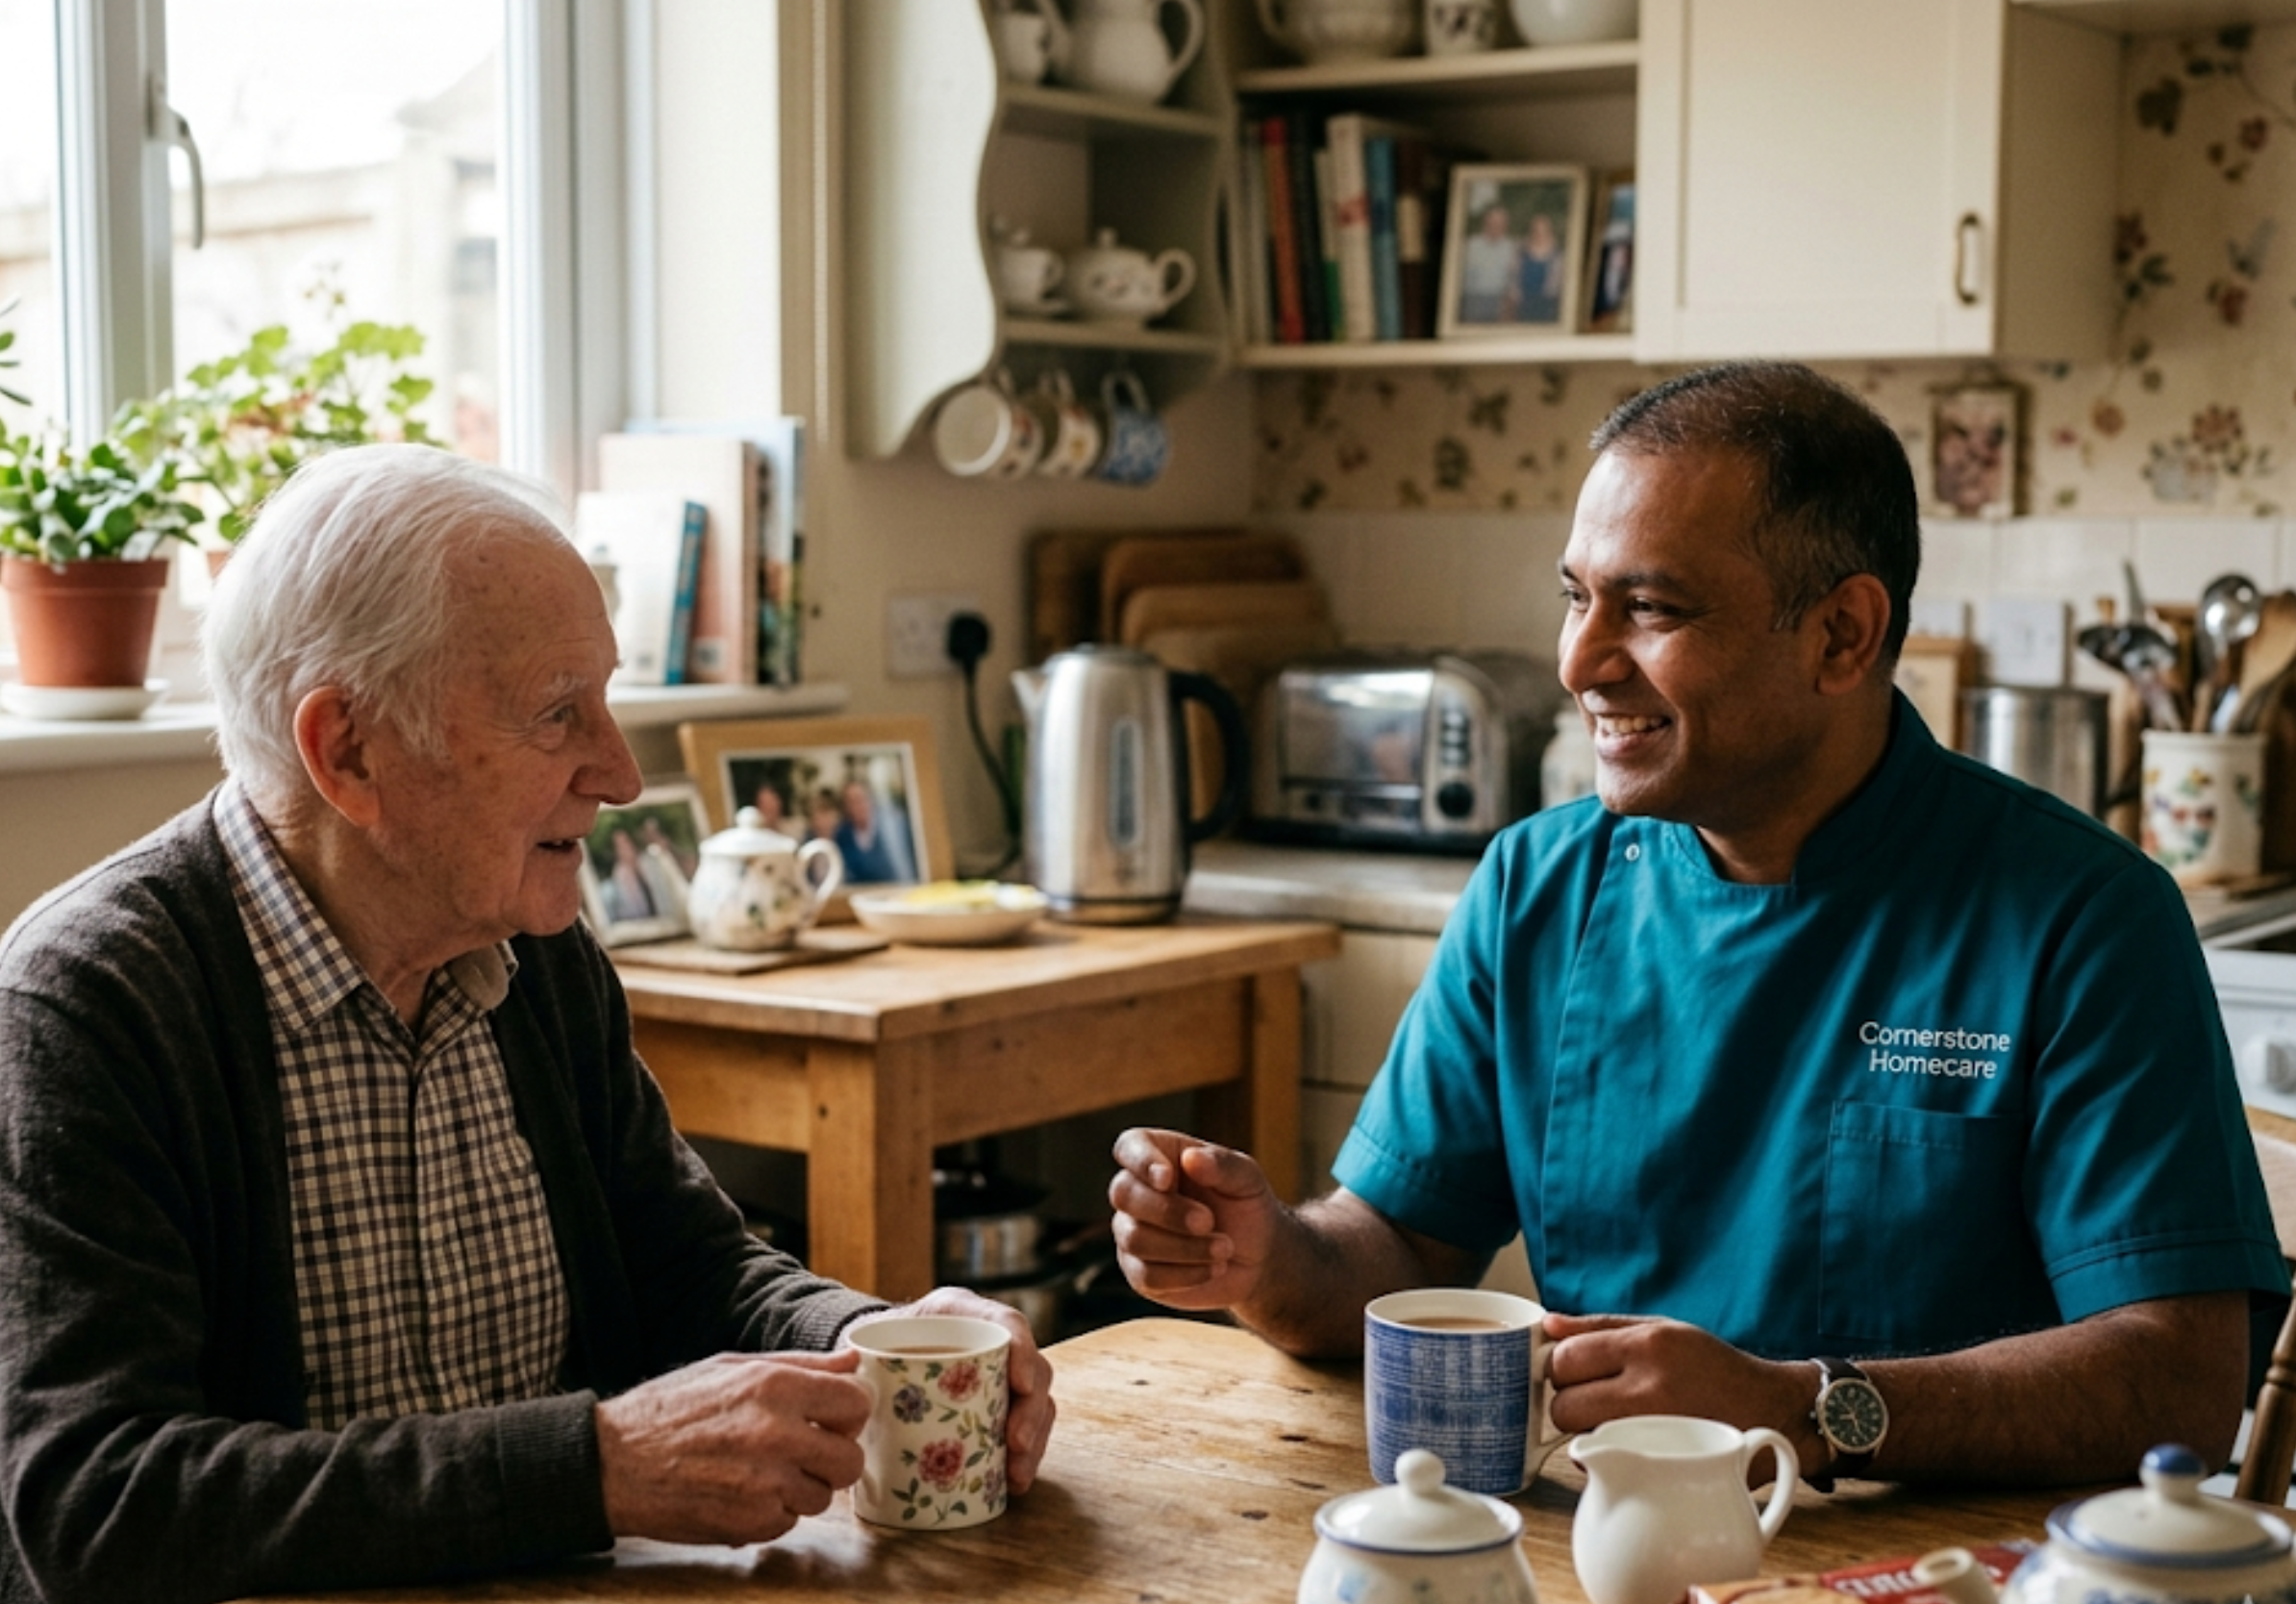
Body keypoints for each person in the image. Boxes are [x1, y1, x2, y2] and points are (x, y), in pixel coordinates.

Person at [1109, 361, 2287, 1490]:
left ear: (1841, 636)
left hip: (1942, 1573)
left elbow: (2180, 1376)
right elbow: (1401, 1248)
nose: (1581, 661)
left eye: (1652, 608)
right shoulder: (1537, 888)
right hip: (1606, 1552)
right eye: (1578, 597)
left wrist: (1806, 1410)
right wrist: (1264, 1260)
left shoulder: (2084, 918)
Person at [0, 444, 1055, 1604]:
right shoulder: (90, 1003)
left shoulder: (534, 950)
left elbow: (685, 1267)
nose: (620, 772)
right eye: (560, 713)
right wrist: (594, 1469)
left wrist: (882, 1339)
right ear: (346, 749)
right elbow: (97, 1505)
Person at [835, 776, 917, 885]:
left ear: (870, 799)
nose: (855, 806)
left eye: (859, 799)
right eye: (850, 802)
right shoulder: (843, 835)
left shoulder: (894, 826)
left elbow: (906, 869)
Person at [1456, 204, 1517, 325]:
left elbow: (1513, 278)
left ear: (1505, 225)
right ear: (1486, 221)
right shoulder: (1470, 246)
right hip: (1473, 301)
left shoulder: (1511, 247)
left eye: (1501, 222)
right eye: (1493, 221)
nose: (1496, 225)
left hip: (1500, 303)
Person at [1509, 209, 1564, 325]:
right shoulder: (1521, 250)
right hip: (1524, 303)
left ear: (1549, 231)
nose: (1539, 233)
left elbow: (1558, 282)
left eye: (1543, 230)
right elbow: (1514, 276)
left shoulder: (1557, 253)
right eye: (1536, 230)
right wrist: (1515, 295)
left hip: (1547, 303)